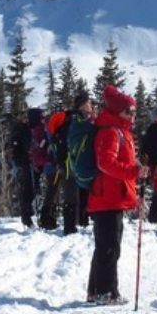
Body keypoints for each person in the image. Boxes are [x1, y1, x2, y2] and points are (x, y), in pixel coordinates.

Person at [87, 84, 149, 304]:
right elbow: (106, 163)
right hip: (108, 197)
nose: (132, 115)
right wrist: (133, 171)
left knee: (105, 246)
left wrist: (135, 167)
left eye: (133, 111)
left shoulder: (119, 130)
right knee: (110, 247)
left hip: (112, 196)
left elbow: (119, 162)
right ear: (117, 110)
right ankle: (106, 292)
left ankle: (96, 291)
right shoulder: (111, 131)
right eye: (128, 111)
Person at [61, 92, 95, 234]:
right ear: (82, 106)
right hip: (69, 163)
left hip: (74, 162)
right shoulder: (77, 120)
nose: (91, 106)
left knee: (80, 194)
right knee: (72, 195)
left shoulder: (79, 119)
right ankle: (69, 227)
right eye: (89, 103)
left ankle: (81, 222)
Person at [11, 108, 47, 228]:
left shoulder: (32, 129)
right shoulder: (26, 130)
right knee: (29, 190)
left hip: (32, 163)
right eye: (41, 117)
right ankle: (26, 216)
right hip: (26, 163)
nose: (42, 119)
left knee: (32, 189)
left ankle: (28, 214)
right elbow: (23, 148)